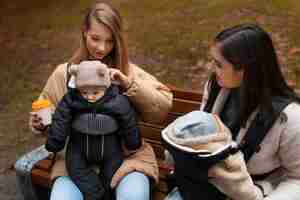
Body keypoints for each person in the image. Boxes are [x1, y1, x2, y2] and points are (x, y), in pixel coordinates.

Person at [27, 1, 173, 200]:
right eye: (95, 38)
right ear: (84, 32)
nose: (101, 48)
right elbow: (47, 117)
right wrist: (40, 124)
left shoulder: (125, 71)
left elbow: (162, 108)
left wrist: (130, 85)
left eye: (110, 41)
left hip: (127, 159)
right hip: (75, 163)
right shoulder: (64, 73)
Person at [165, 24, 300, 200]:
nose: (214, 70)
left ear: (244, 69)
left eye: (219, 64)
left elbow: (297, 178)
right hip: (203, 188)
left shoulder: (290, 118)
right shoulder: (216, 87)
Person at [45, 60, 142, 200]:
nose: (90, 97)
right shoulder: (71, 100)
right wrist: (55, 141)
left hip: (110, 148)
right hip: (78, 147)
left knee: (111, 172)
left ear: (105, 87)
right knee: (75, 167)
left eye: (95, 92)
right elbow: (61, 119)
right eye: (84, 92)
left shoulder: (117, 101)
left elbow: (129, 121)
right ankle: (97, 194)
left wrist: (132, 142)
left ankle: (105, 193)